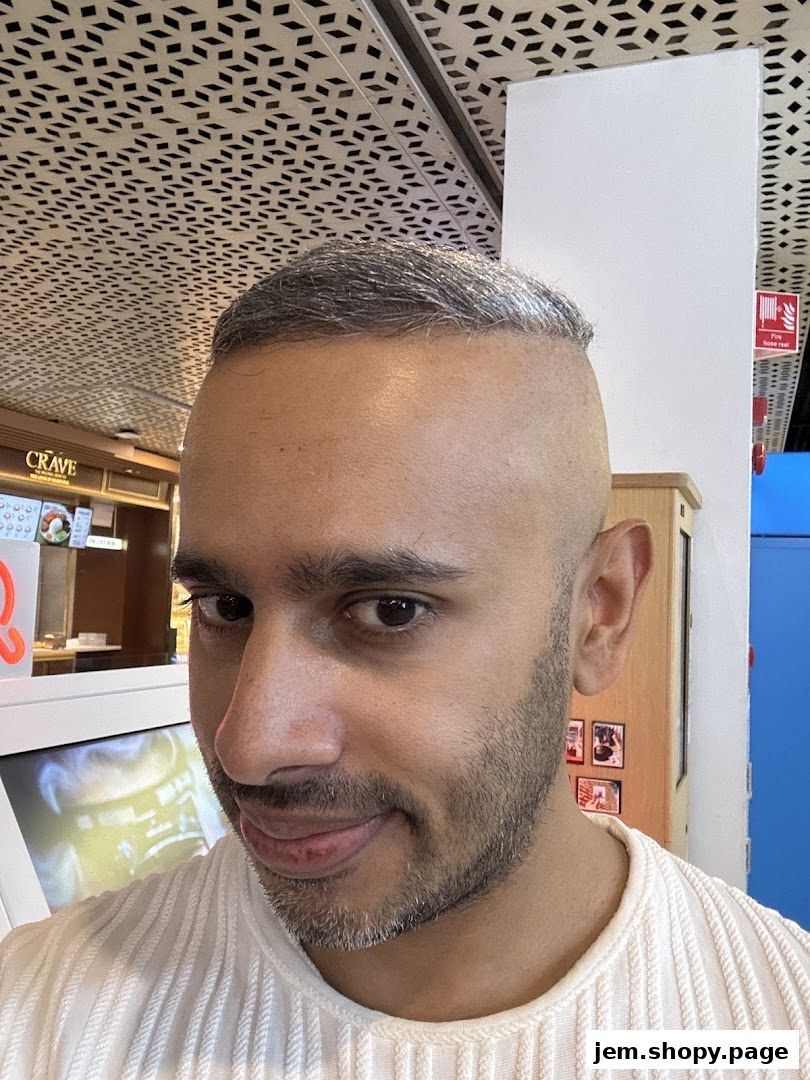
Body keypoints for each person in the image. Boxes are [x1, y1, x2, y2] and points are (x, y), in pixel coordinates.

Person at [1, 239, 808, 1078]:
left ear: (599, 615)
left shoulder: (770, 1026)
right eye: (224, 607)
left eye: (388, 611)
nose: (250, 745)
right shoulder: (41, 1019)